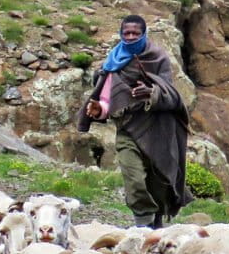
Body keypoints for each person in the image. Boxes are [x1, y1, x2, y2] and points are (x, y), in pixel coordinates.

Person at [78, 14, 192, 228]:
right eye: (126, 33)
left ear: (143, 34)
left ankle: (157, 224)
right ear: (121, 34)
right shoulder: (113, 60)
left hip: (157, 129)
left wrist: (151, 93)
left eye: (135, 33)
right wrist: (99, 110)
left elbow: (169, 92)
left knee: (159, 182)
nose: (130, 37)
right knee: (134, 178)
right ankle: (143, 222)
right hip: (127, 129)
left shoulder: (158, 57)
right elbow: (109, 98)